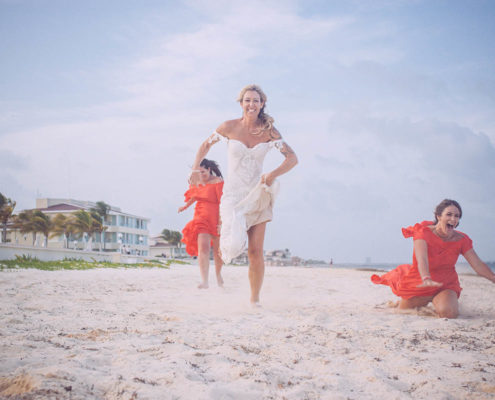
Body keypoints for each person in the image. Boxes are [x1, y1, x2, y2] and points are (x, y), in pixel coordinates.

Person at [189, 84, 298, 305]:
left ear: (262, 104)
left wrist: (272, 174)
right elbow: (204, 146)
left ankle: (254, 299)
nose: (251, 104)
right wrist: (194, 169)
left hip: (258, 195)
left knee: (255, 252)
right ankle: (220, 271)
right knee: (233, 245)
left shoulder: (269, 132)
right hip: (233, 197)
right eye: (247, 100)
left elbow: (292, 158)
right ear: (241, 103)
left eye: (256, 100)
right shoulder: (228, 127)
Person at [371, 199, 495, 318]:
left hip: (445, 284)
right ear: (438, 216)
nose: (453, 219)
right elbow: (422, 259)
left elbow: (477, 264)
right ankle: (407, 302)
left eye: (457, 216)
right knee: (403, 311)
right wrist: (426, 278)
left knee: (448, 313)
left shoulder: (462, 240)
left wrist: (493, 278)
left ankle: (440, 300)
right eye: (449, 214)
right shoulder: (423, 233)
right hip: (420, 282)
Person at [179, 159, 224, 289]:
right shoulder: (197, 180)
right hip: (200, 215)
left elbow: (222, 202)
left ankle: (218, 275)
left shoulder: (218, 182)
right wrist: (185, 206)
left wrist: (221, 223)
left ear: (209, 169)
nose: (201, 174)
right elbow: (195, 195)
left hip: (216, 216)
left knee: (217, 251)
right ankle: (205, 281)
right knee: (203, 248)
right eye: (198, 172)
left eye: (203, 171)